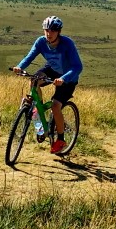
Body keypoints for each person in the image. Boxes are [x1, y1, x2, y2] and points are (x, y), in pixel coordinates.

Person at [12, 15, 83, 154]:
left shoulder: (67, 44)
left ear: (59, 32)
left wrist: (63, 78)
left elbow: (78, 67)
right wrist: (19, 67)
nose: (49, 34)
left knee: (56, 105)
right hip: (52, 69)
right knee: (34, 80)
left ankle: (61, 140)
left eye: (53, 31)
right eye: (46, 30)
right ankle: (38, 112)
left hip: (68, 77)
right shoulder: (41, 42)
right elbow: (29, 56)